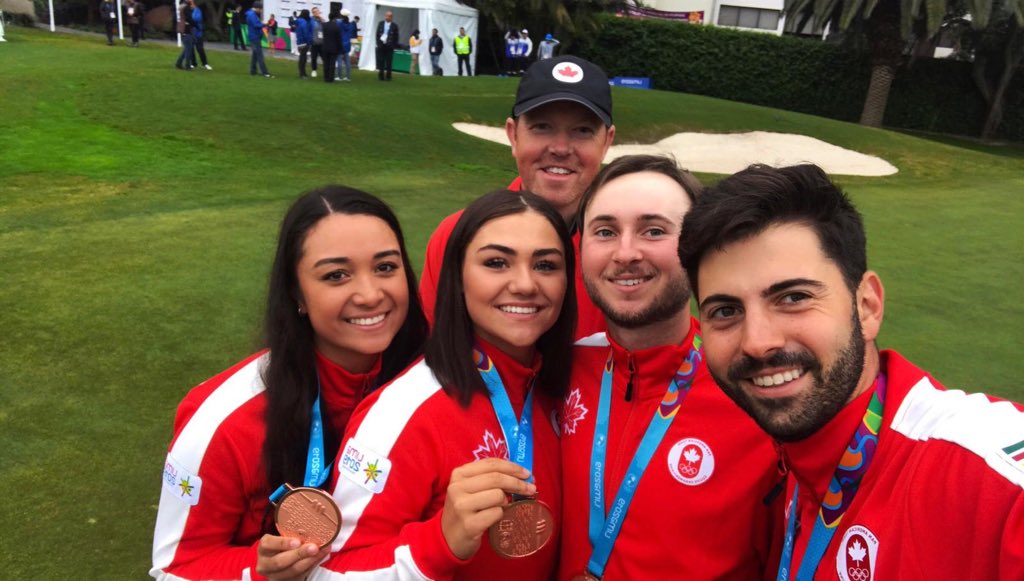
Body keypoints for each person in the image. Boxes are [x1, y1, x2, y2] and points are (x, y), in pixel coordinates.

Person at [678, 163, 1024, 580]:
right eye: (725, 311)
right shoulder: (794, 467)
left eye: (793, 297)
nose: (757, 341)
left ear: (867, 306)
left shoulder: (989, 480)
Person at [150, 186, 430, 580]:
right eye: (336, 275)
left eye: (385, 267)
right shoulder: (222, 420)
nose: (370, 294)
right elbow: (175, 568)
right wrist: (257, 571)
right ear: (296, 292)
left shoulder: (432, 382)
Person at [307, 189, 576, 580]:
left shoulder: (567, 388)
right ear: (458, 278)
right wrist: (440, 542)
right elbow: (328, 572)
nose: (525, 284)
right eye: (497, 262)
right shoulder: (403, 412)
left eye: (546, 265)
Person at [558, 155, 783, 580]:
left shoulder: (758, 393)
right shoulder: (558, 371)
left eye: (654, 230)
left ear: (695, 248)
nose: (626, 253)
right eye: (605, 231)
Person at [419, 56, 616, 341]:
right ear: (513, 135)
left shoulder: (626, 253)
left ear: (607, 142)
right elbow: (433, 355)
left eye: (582, 131)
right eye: (542, 127)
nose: (560, 148)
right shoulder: (456, 234)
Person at [246, 1, 271, 77]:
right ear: (257, 8)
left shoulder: (251, 14)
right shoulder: (252, 15)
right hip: (255, 37)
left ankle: (253, 71)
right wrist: (264, 24)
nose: (261, 11)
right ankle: (264, 72)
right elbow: (256, 25)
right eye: (260, 9)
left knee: (255, 55)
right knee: (260, 55)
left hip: (255, 36)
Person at [375, 10, 398, 81]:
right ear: (385, 16)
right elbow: (377, 35)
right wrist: (378, 44)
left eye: (390, 16)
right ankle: (381, 76)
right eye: (387, 16)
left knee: (389, 62)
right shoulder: (381, 23)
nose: (388, 17)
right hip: (381, 46)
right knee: (381, 61)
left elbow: (396, 37)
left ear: (392, 17)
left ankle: (388, 76)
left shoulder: (394, 26)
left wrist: (393, 46)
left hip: (389, 46)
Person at [174, 0, 195, 70]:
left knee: (187, 48)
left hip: (182, 28)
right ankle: (187, 65)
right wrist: (195, 24)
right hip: (186, 29)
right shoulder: (186, 7)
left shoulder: (181, 6)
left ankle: (179, 63)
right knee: (188, 48)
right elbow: (189, 18)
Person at [321, 10, 341, 83]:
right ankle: (330, 78)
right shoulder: (337, 27)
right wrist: (340, 48)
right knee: (332, 63)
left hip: (325, 46)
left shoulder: (324, 25)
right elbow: (338, 39)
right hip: (334, 48)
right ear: (335, 18)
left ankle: (326, 77)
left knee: (326, 63)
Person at [191, 0, 211, 70]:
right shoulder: (188, 10)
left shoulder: (198, 10)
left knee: (200, 49)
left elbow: (197, 19)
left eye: (192, 3)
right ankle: (193, 63)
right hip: (191, 33)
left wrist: (190, 19)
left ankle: (205, 63)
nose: (191, 5)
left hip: (198, 33)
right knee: (191, 49)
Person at [336, 9, 355, 82]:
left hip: (340, 43)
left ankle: (339, 76)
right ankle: (348, 77)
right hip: (347, 44)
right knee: (347, 62)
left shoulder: (339, 23)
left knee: (339, 61)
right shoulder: (350, 24)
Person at [295, 9, 312, 78]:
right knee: (303, 58)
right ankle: (302, 74)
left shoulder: (298, 21)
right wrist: (309, 41)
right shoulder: (304, 23)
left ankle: (303, 73)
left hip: (299, 41)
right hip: (304, 42)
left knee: (302, 57)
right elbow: (306, 34)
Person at [309, 6, 324, 77]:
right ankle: (314, 70)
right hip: (314, 43)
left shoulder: (321, 20)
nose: (318, 12)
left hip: (322, 42)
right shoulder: (311, 20)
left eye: (318, 11)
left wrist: (321, 19)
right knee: (314, 58)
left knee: (324, 57)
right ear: (313, 13)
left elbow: (325, 27)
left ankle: (326, 70)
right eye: (316, 11)